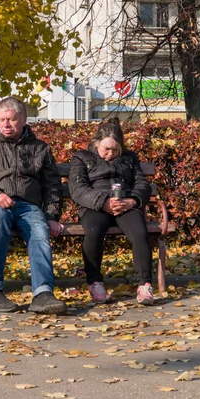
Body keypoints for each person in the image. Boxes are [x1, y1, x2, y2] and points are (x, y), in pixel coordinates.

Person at [0, 96, 67, 314]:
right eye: (1, 120)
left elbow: (52, 186)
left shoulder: (40, 149)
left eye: (10, 120)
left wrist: (52, 216)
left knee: (40, 231)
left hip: (29, 207)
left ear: (23, 119)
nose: (5, 125)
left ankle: (43, 294)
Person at [68, 118, 154, 305]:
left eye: (115, 150)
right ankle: (95, 282)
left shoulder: (130, 158)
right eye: (106, 149)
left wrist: (132, 201)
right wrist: (103, 202)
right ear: (96, 143)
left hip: (126, 204)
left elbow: (142, 184)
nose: (110, 154)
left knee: (140, 232)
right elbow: (78, 188)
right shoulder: (82, 157)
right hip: (95, 206)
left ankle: (145, 284)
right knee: (93, 232)